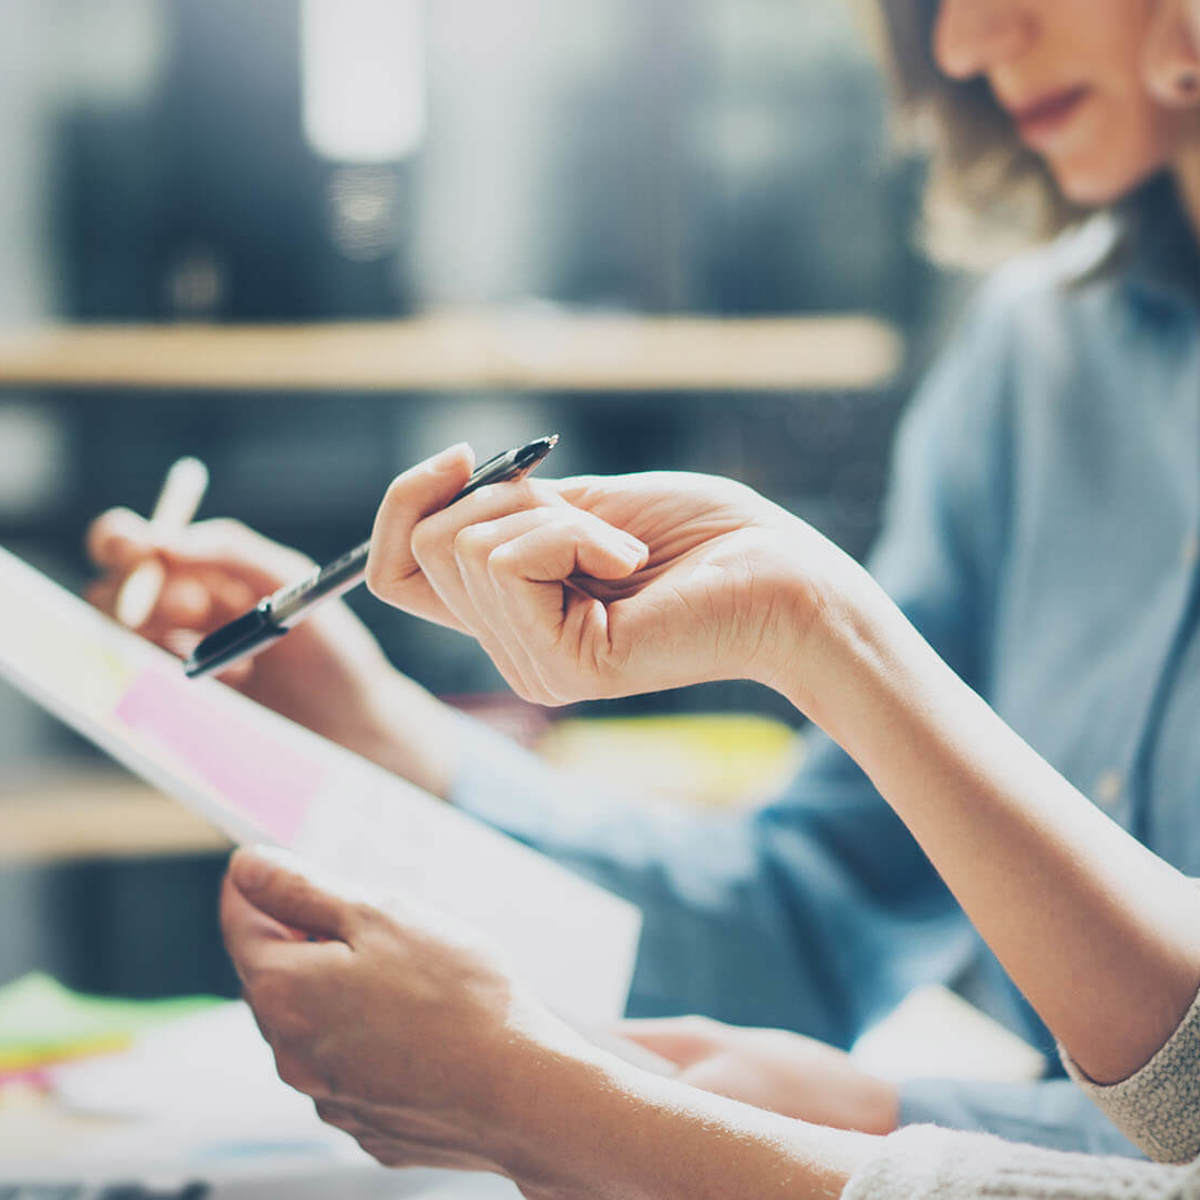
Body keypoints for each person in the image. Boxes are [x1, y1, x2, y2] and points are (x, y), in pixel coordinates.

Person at [89, 0, 1200, 1156]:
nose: (964, 46)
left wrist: (875, 1118)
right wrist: (391, 740)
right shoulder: (1035, 358)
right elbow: (814, 926)